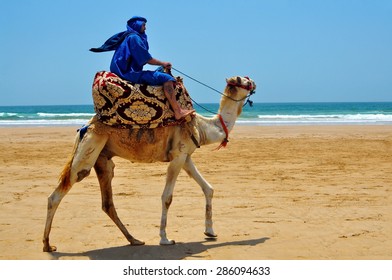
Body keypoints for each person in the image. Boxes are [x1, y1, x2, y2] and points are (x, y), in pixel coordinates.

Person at [90, 16, 194, 120]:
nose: (145, 28)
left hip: (125, 71)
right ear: (137, 25)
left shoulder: (128, 37)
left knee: (160, 72)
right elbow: (146, 59)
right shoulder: (134, 38)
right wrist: (163, 63)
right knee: (167, 79)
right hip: (129, 73)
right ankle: (178, 111)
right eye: (144, 25)